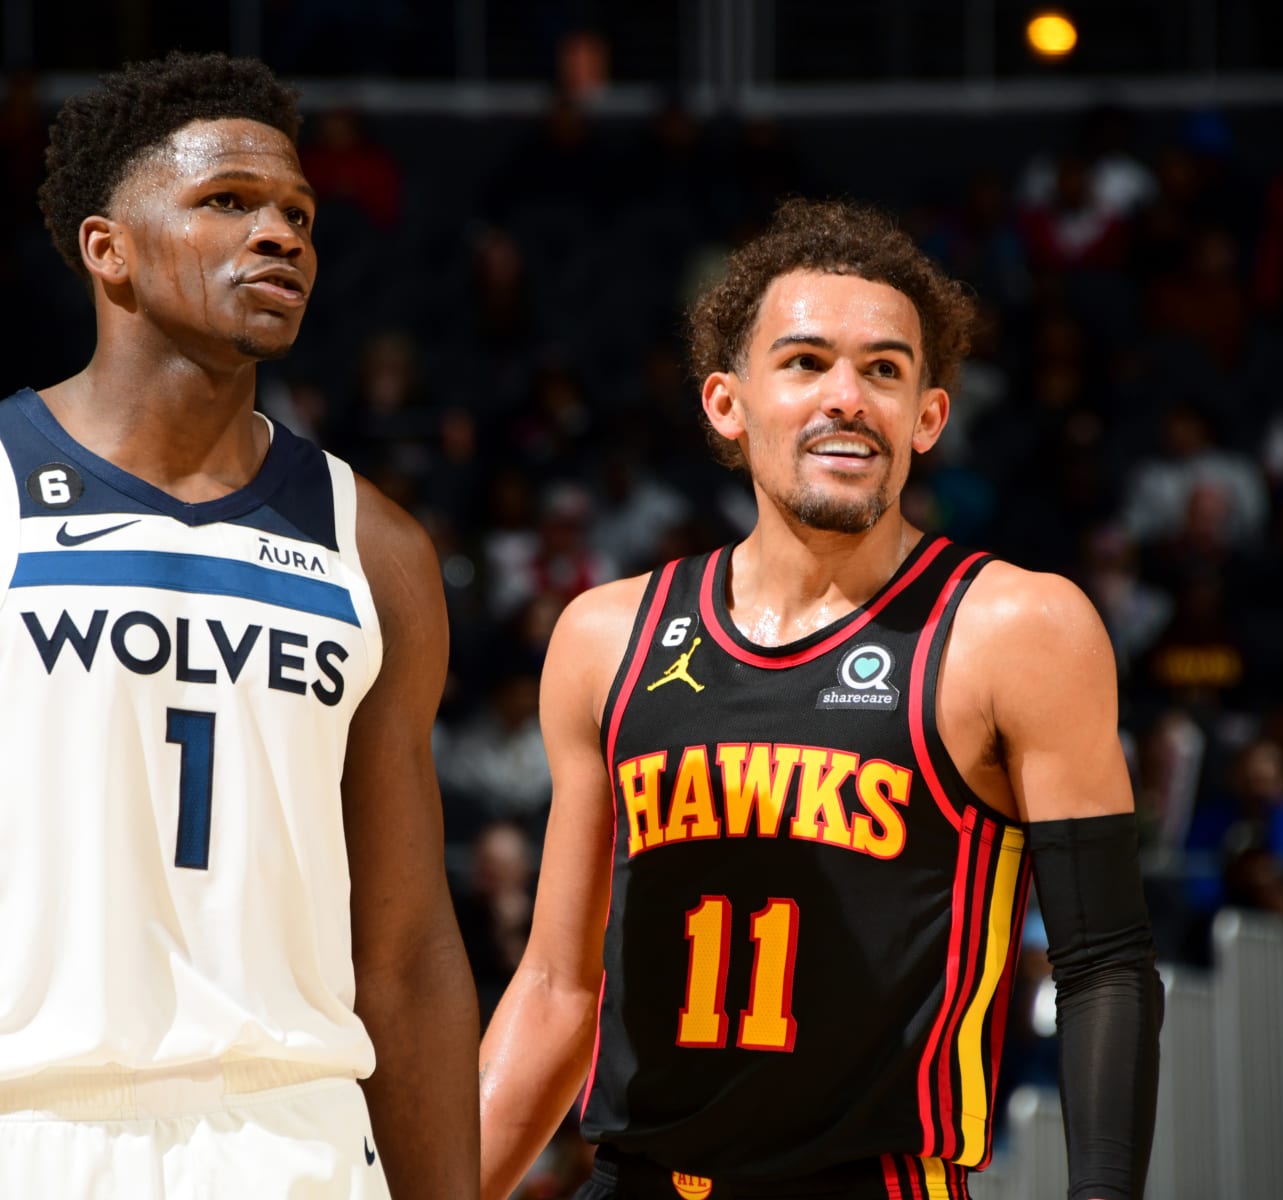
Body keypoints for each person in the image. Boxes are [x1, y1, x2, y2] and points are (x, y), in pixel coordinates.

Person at [0, 52, 478, 1200]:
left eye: (298, 214)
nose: (281, 235)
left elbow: (408, 953)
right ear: (105, 248)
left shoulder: (380, 549)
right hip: (26, 1130)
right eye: (229, 203)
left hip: (300, 1132)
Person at [479, 200, 1162, 1200]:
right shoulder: (605, 636)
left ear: (928, 416)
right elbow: (555, 988)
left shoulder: (1018, 628)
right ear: (728, 402)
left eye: (885, 370)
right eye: (805, 363)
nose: (848, 396)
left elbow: (1102, 966)